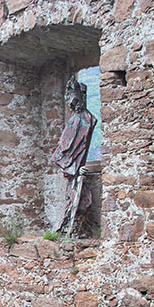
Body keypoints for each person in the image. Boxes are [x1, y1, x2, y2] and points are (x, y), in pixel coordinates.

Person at [51, 75, 97, 237]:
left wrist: (76, 168)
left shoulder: (86, 119)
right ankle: (69, 229)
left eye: (74, 99)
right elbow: (62, 151)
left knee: (81, 200)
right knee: (74, 199)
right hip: (73, 170)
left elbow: (69, 147)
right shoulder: (75, 120)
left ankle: (75, 230)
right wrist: (71, 167)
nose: (71, 103)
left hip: (76, 171)